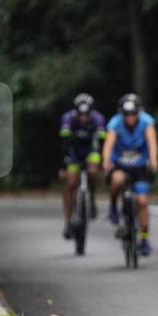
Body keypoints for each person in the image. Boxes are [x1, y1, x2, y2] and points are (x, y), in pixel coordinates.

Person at [102, 93, 158, 256]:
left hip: (140, 164)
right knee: (117, 180)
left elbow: (152, 142)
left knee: (142, 201)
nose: (130, 118)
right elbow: (109, 143)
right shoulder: (115, 123)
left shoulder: (147, 122)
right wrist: (106, 159)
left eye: (133, 114)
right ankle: (113, 205)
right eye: (127, 115)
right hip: (120, 162)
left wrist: (153, 159)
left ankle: (145, 239)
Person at [59, 93, 106, 239]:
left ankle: (91, 198)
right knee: (71, 183)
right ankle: (68, 222)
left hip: (91, 151)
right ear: (76, 112)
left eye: (87, 114)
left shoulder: (98, 119)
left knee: (92, 172)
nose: (84, 117)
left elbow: (103, 143)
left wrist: (103, 162)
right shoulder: (68, 119)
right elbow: (63, 144)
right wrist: (63, 166)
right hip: (74, 153)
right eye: (81, 114)